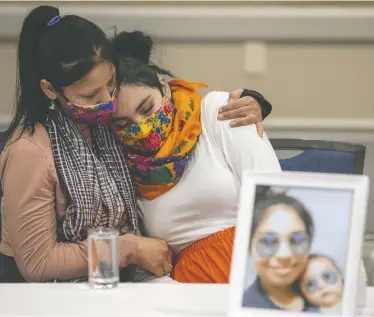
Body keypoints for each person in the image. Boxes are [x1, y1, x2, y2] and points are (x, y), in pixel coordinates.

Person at [0, 6, 274, 283]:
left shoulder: (107, 128)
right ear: (50, 90)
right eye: (91, 94)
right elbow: (37, 263)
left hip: (132, 283)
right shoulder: (30, 152)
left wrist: (252, 101)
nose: (108, 100)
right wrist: (127, 249)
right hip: (61, 294)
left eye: (110, 84)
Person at [108, 30, 281, 284]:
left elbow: (276, 198)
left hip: (261, 269)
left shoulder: (217, 111)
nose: (142, 127)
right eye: (124, 124)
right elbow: (147, 262)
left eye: (147, 108)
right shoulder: (125, 165)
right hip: (186, 291)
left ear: (163, 87)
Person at [242, 190, 319, 312]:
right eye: (268, 242)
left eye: (297, 240)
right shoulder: (245, 308)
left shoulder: (321, 295)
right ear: (248, 246)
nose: (284, 254)